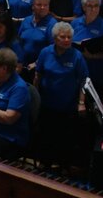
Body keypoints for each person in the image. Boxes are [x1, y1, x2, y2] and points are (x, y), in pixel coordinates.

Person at [34, 22, 88, 168]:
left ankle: (62, 165)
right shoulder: (45, 52)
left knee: (64, 138)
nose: (66, 40)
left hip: (67, 106)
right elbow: (38, 75)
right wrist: (35, 97)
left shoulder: (76, 56)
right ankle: (45, 163)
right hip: (47, 104)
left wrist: (81, 103)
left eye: (69, 37)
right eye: (63, 37)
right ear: (55, 38)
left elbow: (84, 80)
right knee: (46, 135)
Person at [71, 0, 103, 92]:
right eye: (90, 6)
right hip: (76, 70)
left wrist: (91, 56)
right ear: (84, 7)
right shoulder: (75, 23)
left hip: (94, 72)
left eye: (96, 5)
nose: (93, 9)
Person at [18, 0, 57, 76]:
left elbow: (53, 48)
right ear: (33, 6)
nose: (42, 7)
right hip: (23, 66)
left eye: (45, 5)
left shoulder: (52, 24)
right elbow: (19, 42)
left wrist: (37, 63)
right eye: (39, 5)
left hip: (40, 68)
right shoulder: (26, 21)